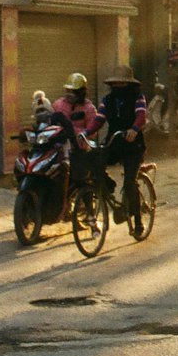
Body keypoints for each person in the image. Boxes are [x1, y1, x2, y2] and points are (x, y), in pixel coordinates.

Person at [91, 64, 148, 237]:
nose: (118, 86)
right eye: (116, 84)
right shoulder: (107, 100)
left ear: (129, 84)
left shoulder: (138, 97)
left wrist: (134, 129)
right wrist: (86, 133)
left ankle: (138, 222)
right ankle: (109, 186)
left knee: (130, 182)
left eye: (122, 83)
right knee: (93, 164)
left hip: (133, 144)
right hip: (113, 142)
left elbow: (141, 116)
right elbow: (99, 119)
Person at [52, 72, 99, 218]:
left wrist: (76, 133)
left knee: (82, 180)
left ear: (82, 92)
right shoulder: (58, 104)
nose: (70, 94)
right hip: (59, 149)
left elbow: (92, 132)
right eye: (69, 91)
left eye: (74, 91)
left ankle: (90, 215)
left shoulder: (89, 109)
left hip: (79, 149)